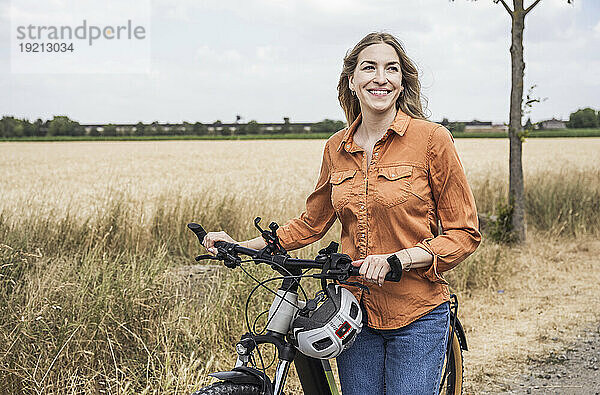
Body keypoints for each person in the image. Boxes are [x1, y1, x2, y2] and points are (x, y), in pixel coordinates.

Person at [202, 32, 481, 395]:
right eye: (370, 67)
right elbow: (310, 223)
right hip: (353, 313)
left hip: (417, 312)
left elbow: (464, 233)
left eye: (391, 69)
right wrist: (242, 245)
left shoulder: (432, 140)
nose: (380, 77)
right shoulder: (336, 146)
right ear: (352, 80)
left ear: (401, 82)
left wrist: (402, 258)